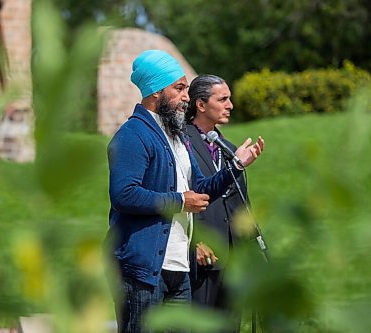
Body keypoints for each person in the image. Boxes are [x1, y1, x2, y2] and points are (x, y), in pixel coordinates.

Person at [106, 50, 264, 333]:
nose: (186, 97)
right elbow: (124, 194)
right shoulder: (132, 135)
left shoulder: (176, 137)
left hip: (179, 267)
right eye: (179, 88)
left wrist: (237, 165)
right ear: (156, 92)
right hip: (142, 270)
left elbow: (200, 188)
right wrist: (179, 201)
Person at [185, 74, 264, 332]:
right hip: (202, 257)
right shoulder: (180, 143)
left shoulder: (230, 149)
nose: (230, 105)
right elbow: (179, 194)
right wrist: (194, 240)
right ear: (200, 104)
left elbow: (241, 203)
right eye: (223, 99)